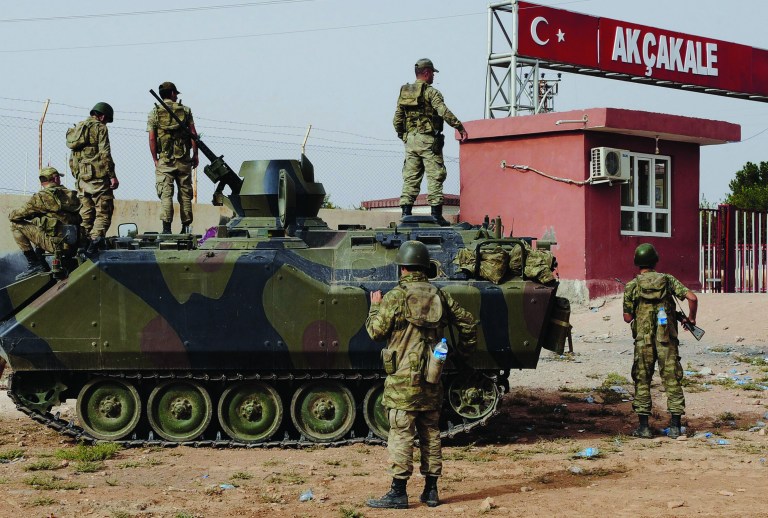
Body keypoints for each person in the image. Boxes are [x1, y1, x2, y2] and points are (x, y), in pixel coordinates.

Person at [365, 240, 477, 509]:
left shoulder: (395, 297)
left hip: (403, 379)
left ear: (402, 268)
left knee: (402, 432)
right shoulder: (440, 295)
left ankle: (398, 492)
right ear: (425, 267)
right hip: (431, 377)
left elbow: (375, 332)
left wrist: (374, 307)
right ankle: (431, 491)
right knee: (430, 432)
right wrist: (463, 355)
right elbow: (469, 323)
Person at [622, 243, 698, 439]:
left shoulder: (632, 286)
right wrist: (690, 319)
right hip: (667, 340)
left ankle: (644, 428)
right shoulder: (667, 280)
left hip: (643, 342)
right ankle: (674, 427)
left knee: (642, 381)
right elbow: (692, 298)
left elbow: (628, 318)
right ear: (655, 260)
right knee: (672, 380)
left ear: (637, 262)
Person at [393, 58, 468, 226]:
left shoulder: (405, 92)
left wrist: (404, 136)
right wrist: (459, 127)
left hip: (411, 140)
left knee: (410, 177)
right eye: (432, 72)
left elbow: (397, 119)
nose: (434, 75)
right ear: (426, 73)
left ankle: (406, 214)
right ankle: (436, 215)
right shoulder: (431, 92)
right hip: (428, 140)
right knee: (435, 175)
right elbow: (442, 111)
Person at [8, 167, 81, 280]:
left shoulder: (42, 197)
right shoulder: (70, 195)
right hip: (75, 244)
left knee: (16, 225)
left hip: (56, 245)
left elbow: (15, 216)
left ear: (42, 181)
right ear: (56, 179)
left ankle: (35, 264)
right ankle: (41, 262)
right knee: (41, 221)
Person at [147, 81, 199, 234]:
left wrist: (155, 159)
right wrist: (195, 155)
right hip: (183, 159)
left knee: (166, 194)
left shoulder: (154, 113)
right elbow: (193, 135)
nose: (176, 96)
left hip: (165, 160)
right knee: (185, 195)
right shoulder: (186, 110)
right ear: (172, 93)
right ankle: (185, 228)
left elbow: (151, 138)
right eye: (175, 93)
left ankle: (166, 229)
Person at [68, 102, 119, 254]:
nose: (106, 123)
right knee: (104, 212)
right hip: (98, 180)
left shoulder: (78, 129)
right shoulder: (100, 128)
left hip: (82, 181)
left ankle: (81, 245)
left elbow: (72, 159)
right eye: (106, 120)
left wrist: (78, 177)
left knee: (85, 214)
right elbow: (105, 154)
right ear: (102, 116)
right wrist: (112, 176)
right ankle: (94, 245)